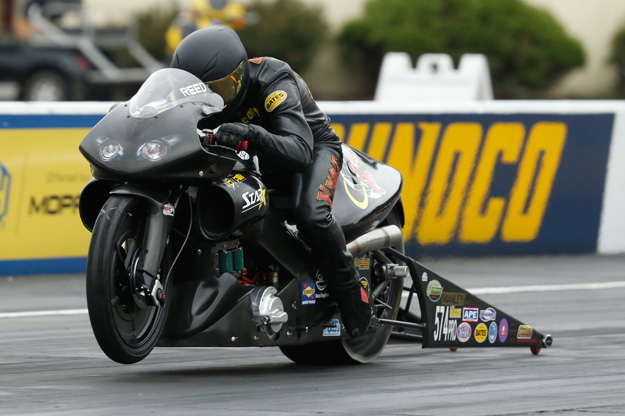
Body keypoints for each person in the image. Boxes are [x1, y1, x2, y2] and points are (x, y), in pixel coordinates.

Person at [170, 25, 372, 338]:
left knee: (310, 214)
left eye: (220, 88)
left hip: (312, 148)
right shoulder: (200, 95)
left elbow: (300, 151)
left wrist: (252, 134)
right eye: (203, 90)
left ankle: (350, 290)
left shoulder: (274, 80)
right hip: (253, 153)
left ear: (240, 75)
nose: (214, 99)